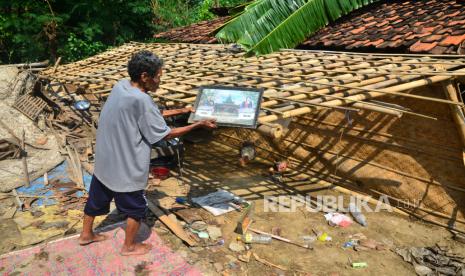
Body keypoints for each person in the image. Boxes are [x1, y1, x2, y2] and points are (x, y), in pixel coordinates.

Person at [78, 50, 217, 255]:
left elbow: (148, 113)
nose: (159, 81)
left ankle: (86, 235)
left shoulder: (121, 86)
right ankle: (129, 246)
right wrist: (198, 124)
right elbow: (165, 134)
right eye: (158, 76)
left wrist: (182, 110)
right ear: (145, 76)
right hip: (125, 168)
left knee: (96, 198)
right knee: (136, 209)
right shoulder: (142, 101)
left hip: (105, 162)